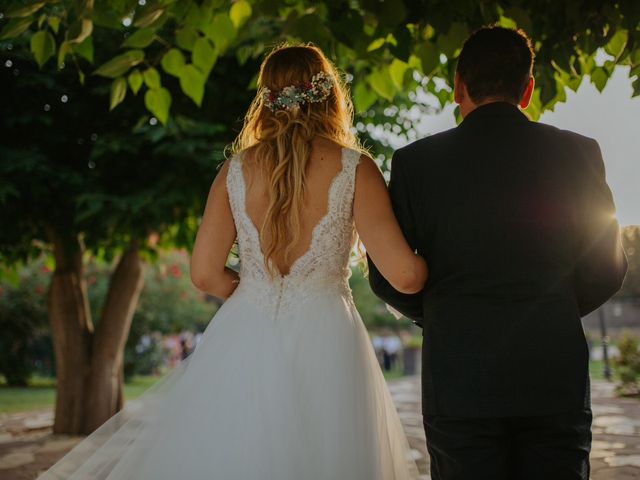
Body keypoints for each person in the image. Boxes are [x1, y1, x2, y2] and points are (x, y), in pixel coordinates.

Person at [38, 44, 426, 480]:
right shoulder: (356, 168)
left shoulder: (235, 171)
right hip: (327, 334)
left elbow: (204, 273)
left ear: (266, 98)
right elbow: (406, 277)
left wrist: (257, 292)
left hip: (246, 329)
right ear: (329, 94)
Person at [368, 26, 628, 480]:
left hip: (460, 379)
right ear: (527, 90)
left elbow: (384, 274)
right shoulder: (580, 153)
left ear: (457, 86)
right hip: (552, 374)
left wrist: (445, 313)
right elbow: (607, 267)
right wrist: (556, 305)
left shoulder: (415, 163)